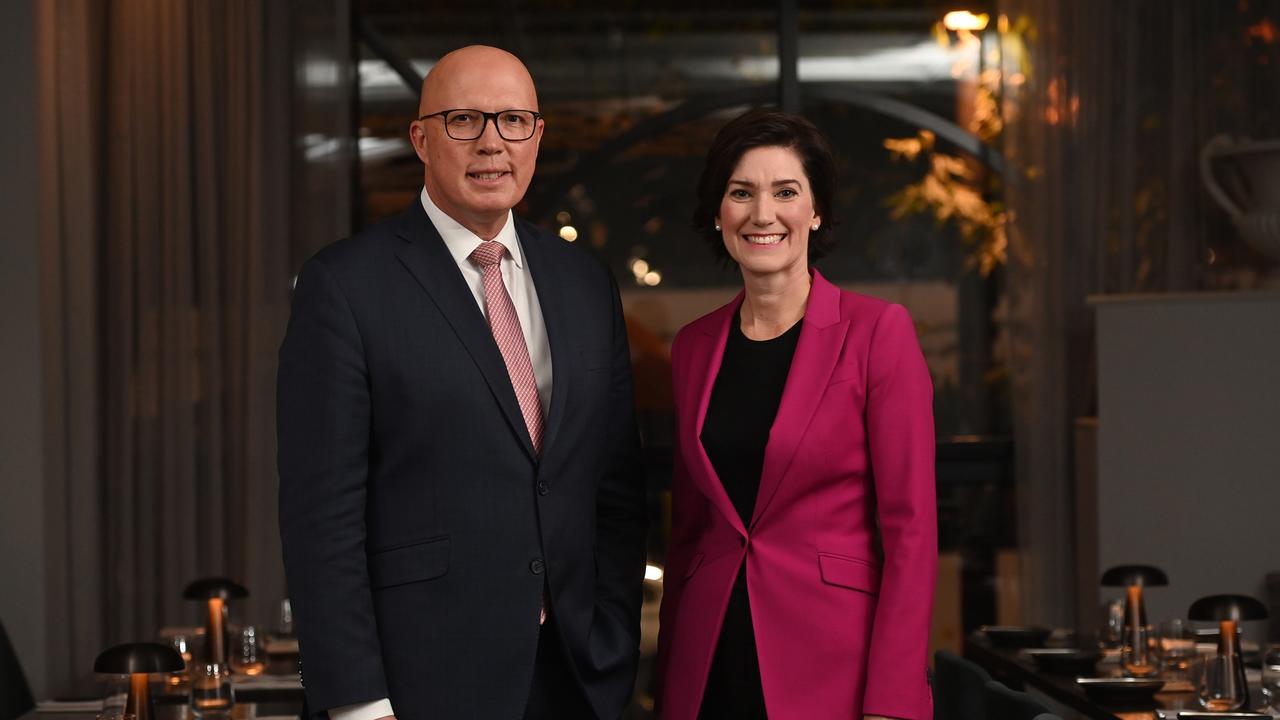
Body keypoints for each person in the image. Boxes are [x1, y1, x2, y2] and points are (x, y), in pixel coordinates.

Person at [278, 46, 646, 720]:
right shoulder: (346, 286)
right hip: (419, 686)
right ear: (420, 138)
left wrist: (613, 642)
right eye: (463, 120)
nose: (490, 143)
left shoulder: (584, 283)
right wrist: (359, 702)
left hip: (573, 679)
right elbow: (321, 519)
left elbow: (614, 489)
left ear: (537, 136)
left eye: (512, 121)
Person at [654, 110, 937, 720]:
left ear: (816, 211)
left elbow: (911, 533)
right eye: (741, 193)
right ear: (718, 213)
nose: (762, 214)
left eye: (786, 192)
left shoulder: (876, 333)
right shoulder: (693, 346)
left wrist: (894, 699)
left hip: (833, 661)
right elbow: (690, 530)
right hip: (709, 659)